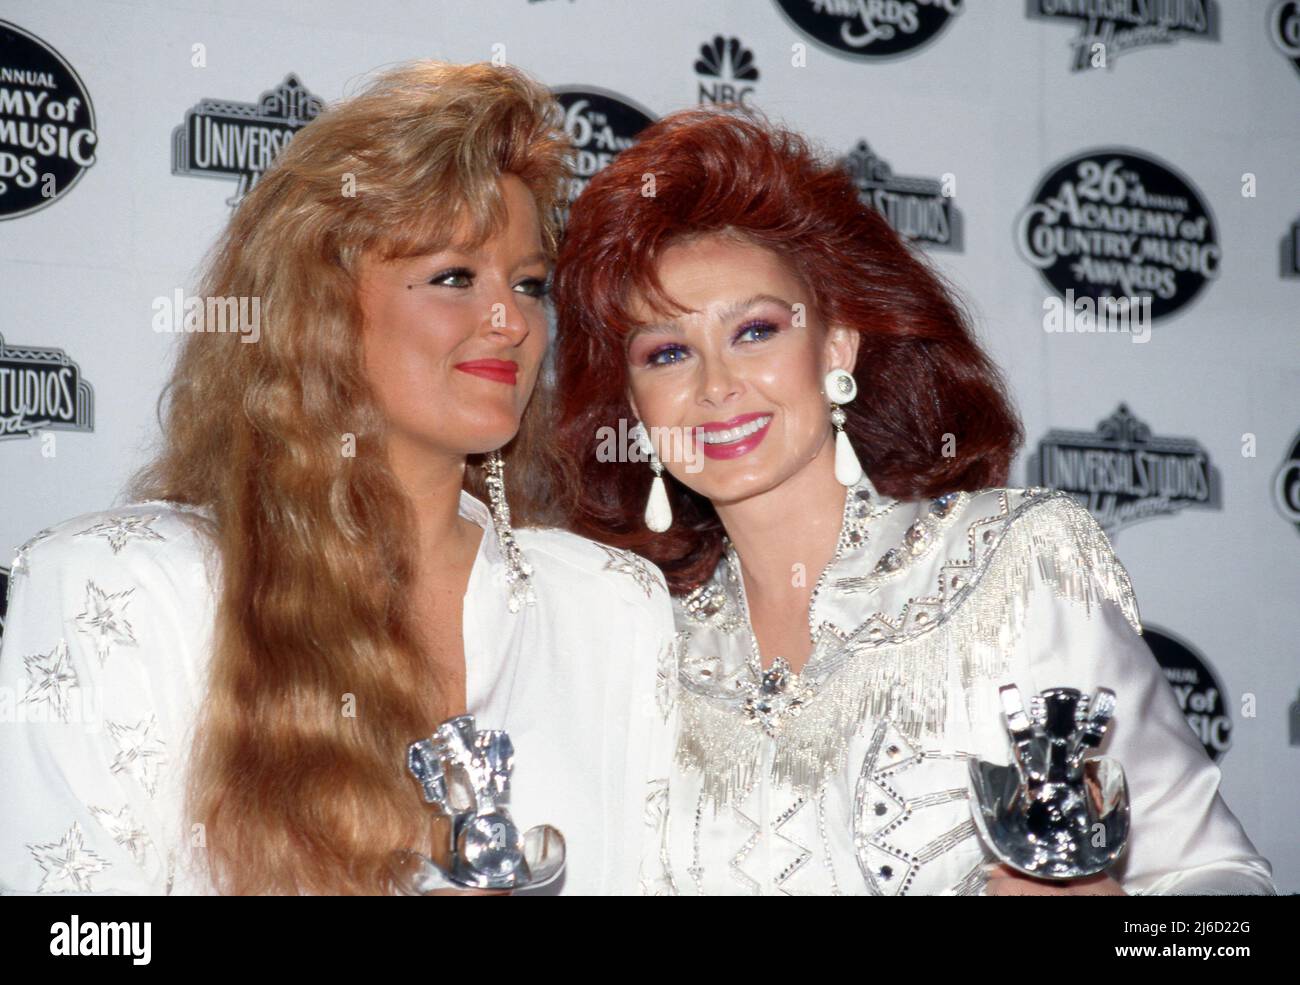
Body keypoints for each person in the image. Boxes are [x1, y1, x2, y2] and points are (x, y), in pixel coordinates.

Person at [549, 105, 1277, 896]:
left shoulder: (1009, 571)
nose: (716, 385)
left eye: (755, 331)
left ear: (837, 346)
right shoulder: (646, 654)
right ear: (635, 402)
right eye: (667, 351)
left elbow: (1226, 897)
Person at [0, 61, 673, 896]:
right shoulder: (125, 588)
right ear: (320, 308)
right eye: (454, 276)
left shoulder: (612, 606)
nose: (510, 321)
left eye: (529, 284)